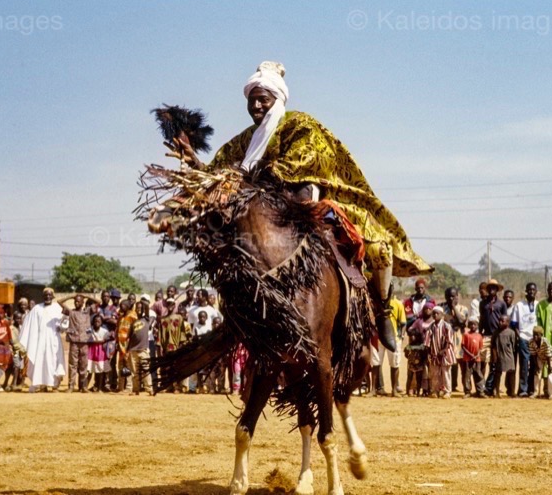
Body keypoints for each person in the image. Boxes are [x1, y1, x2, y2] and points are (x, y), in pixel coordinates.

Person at [166, 61, 432, 352]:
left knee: (379, 247)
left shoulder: (300, 123)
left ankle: (382, 314)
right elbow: (219, 173)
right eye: (251, 100)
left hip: (305, 205)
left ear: (277, 99)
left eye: (262, 99)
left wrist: (250, 178)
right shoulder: (246, 140)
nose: (256, 105)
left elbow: (304, 160)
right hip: (260, 211)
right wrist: (195, 163)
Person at [19, 287, 68, 392]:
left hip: (54, 339)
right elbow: (28, 323)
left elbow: (64, 324)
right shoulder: (37, 308)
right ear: (43, 296)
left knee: (54, 361)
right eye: (46, 295)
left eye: (50, 295)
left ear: (53, 296)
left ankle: (54, 385)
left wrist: (64, 325)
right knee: (40, 361)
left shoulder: (57, 308)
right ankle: (42, 384)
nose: (48, 297)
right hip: (40, 340)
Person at [479, 279, 508, 396]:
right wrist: (479, 333)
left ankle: (492, 388)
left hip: (497, 336)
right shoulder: (483, 303)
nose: (492, 290)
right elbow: (482, 319)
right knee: (482, 363)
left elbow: (505, 320)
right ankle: (481, 388)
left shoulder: (501, 304)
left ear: (497, 290)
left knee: (495, 364)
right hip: (486, 336)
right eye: (490, 287)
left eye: (494, 288)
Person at [158, 297, 191, 393]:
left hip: (176, 346)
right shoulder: (163, 320)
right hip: (166, 347)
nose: (170, 306)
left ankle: (177, 387)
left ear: (174, 305)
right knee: (168, 367)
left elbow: (182, 333)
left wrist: (181, 345)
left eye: (172, 304)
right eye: (168, 304)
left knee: (177, 366)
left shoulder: (179, 318)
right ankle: (169, 385)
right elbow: (160, 336)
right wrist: (160, 347)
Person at [511, 283, 538, 397]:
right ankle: (523, 390)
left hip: (535, 339)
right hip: (523, 337)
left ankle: (532, 389)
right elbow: (514, 324)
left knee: (534, 364)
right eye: (529, 289)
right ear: (526, 291)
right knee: (524, 365)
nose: (531, 291)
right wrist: (520, 336)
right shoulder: (519, 305)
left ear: (536, 291)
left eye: (533, 289)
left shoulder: (539, 305)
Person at [440, 287, 468, 393]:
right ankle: (451, 386)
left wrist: (453, 307)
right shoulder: (442, 308)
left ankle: (466, 387)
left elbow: (461, 321)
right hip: (447, 339)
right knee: (450, 363)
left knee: (462, 363)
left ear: (457, 296)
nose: (451, 299)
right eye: (449, 297)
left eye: (454, 296)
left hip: (460, 338)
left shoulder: (463, 308)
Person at [424, 306, 454, 398]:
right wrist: (429, 353)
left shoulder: (446, 326)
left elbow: (450, 341)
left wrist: (443, 351)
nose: (435, 315)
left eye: (437, 313)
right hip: (434, 354)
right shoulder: (431, 327)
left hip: (446, 354)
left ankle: (447, 391)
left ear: (442, 315)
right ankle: (435, 390)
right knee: (435, 373)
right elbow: (427, 342)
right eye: (434, 313)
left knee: (446, 373)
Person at [63, 295, 90, 393]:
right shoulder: (71, 312)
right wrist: (71, 296)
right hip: (74, 341)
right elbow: (59, 302)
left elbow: (98, 301)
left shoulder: (87, 312)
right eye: (75, 301)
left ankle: (83, 386)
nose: (76, 303)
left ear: (83, 303)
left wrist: (86, 296)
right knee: (72, 365)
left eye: (79, 301)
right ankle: (71, 386)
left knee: (83, 365)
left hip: (84, 342)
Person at [127, 296, 153, 395]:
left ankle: (149, 389)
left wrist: (141, 302)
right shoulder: (133, 322)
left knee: (146, 370)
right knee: (135, 372)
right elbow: (130, 338)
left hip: (143, 350)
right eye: (137, 308)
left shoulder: (146, 319)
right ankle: (135, 390)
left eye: (140, 308)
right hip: (133, 350)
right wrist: (127, 350)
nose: (138, 309)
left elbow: (147, 306)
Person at [115, 300, 137, 393]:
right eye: (120, 306)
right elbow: (117, 330)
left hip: (128, 345)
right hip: (121, 345)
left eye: (123, 305)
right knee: (120, 366)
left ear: (128, 306)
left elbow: (135, 330)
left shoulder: (133, 316)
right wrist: (117, 342)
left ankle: (129, 387)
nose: (121, 307)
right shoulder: (121, 317)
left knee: (129, 366)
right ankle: (120, 387)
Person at [528, 326, 552, 399]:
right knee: (537, 373)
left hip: (550, 357)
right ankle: (536, 392)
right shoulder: (531, 342)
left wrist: (550, 367)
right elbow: (533, 355)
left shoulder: (545, 342)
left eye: (537, 334)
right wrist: (536, 366)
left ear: (541, 335)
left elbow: (549, 355)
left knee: (551, 374)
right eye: (534, 334)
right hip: (539, 357)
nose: (535, 336)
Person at [86, 314, 113, 392]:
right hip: (92, 351)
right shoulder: (90, 330)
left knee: (100, 370)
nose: (97, 323)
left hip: (101, 352)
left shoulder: (104, 331)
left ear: (101, 323)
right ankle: (85, 387)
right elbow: (88, 339)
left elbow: (109, 339)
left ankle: (100, 388)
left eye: (99, 321)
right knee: (90, 370)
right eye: (95, 321)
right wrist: (101, 341)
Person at [492, 315, 517, 398]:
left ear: (508, 322)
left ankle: (512, 391)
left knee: (511, 373)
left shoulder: (511, 333)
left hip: (509, 355)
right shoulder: (496, 332)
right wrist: (495, 356)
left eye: (503, 321)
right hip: (500, 355)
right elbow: (493, 345)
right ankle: (496, 391)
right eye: (500, 320)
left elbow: (513, 345)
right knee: (498, 373)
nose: (500, 322)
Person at [460, 318, 485, 398]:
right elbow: (463, 346)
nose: (473, 326)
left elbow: (480, 347)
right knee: (467, 375)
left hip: (477, 359)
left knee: (478, 374)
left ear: (477, 326)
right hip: (467, 359)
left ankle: (480, 391)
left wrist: (477, 355)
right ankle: (467, 391)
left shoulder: (479, 336)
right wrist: (470, 355)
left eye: (475, 324)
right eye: (471, 324)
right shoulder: (466, 335)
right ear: (468, 326)